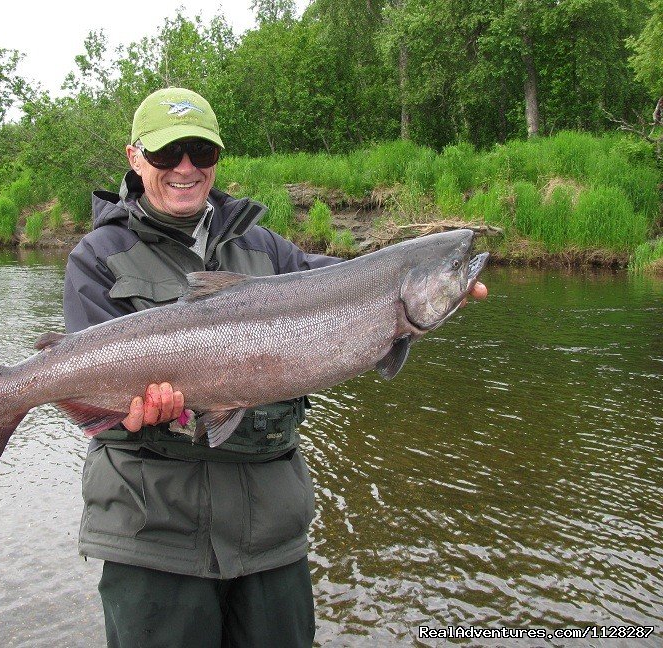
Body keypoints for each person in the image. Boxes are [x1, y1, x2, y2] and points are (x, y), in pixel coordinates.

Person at [63, 87, 487, 647]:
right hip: (153, 535)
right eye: (167, 155)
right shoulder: (97, 257)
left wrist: (439, 288)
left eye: (200, 153)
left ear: (217, 156)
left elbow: (350, 281)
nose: (185, 168)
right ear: (135, 157)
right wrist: (140, 413)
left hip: (270, 535)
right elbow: (88, 399)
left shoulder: (265, 248)